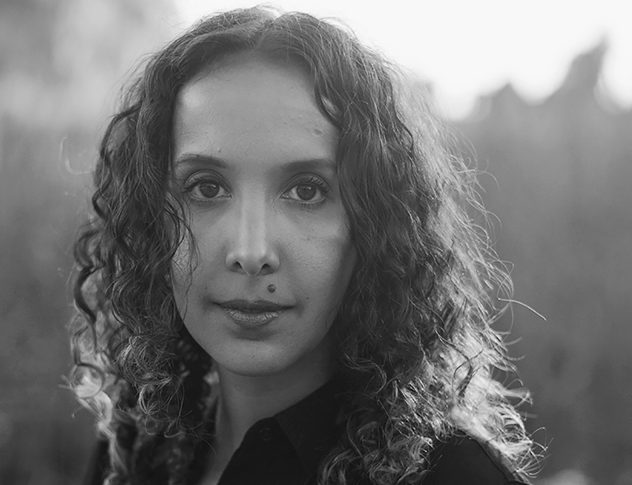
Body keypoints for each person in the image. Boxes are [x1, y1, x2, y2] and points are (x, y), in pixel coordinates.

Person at [68, 6, 540, 485]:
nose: (251, 252)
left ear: (372, 225)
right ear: (152, 221)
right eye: (206, 188)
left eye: (307, 190)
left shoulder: (455, 478)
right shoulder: (132, 453)